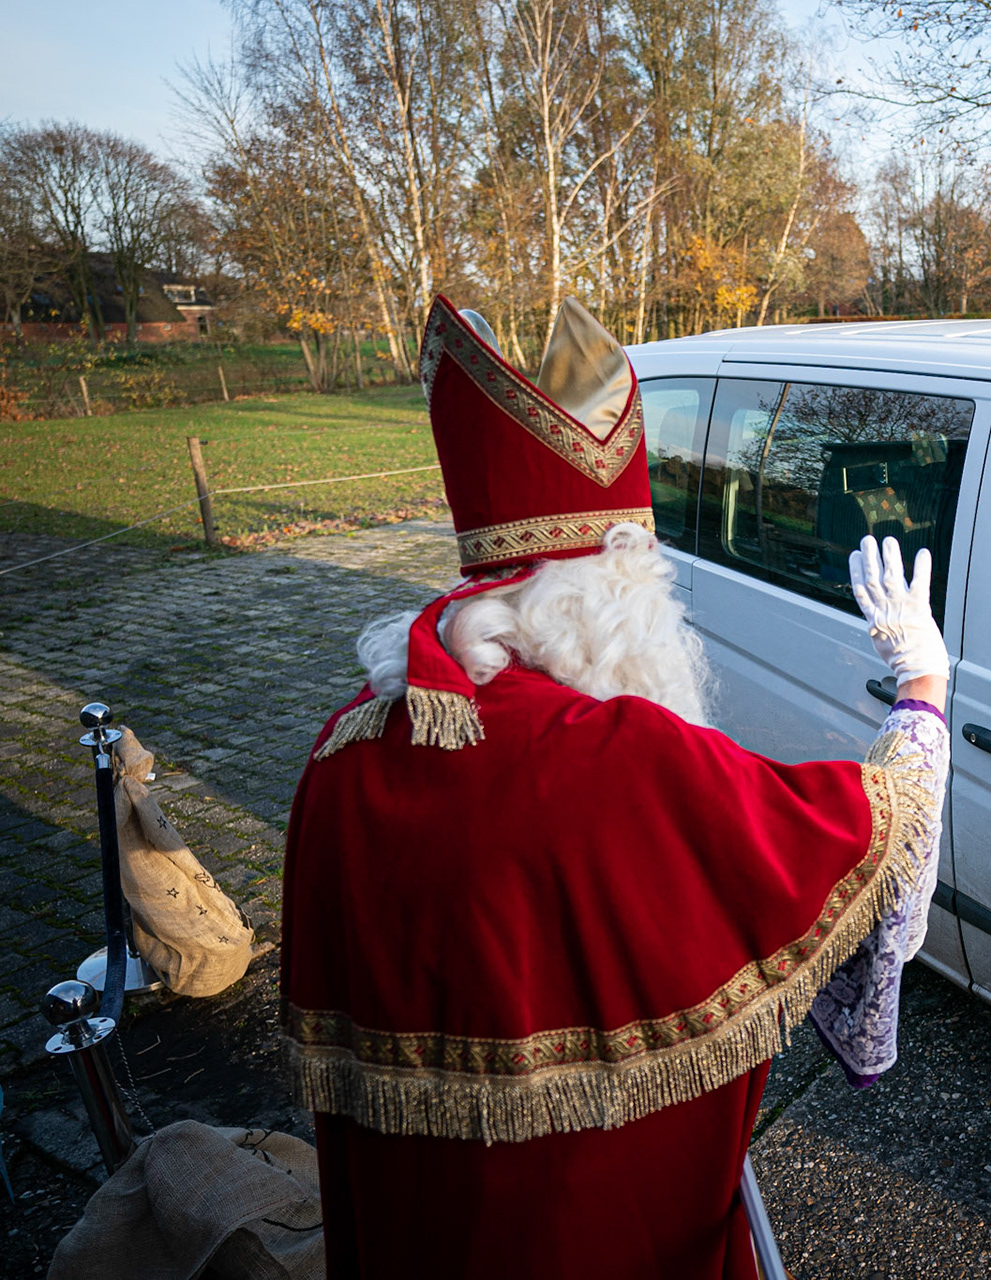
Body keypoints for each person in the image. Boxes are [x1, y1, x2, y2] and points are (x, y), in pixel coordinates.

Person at [280, 296, 951, 1280]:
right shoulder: (625, 759)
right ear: (599, 596)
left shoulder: (343, 753)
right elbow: (864, 835)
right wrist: (923, 682)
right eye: (646, 583)